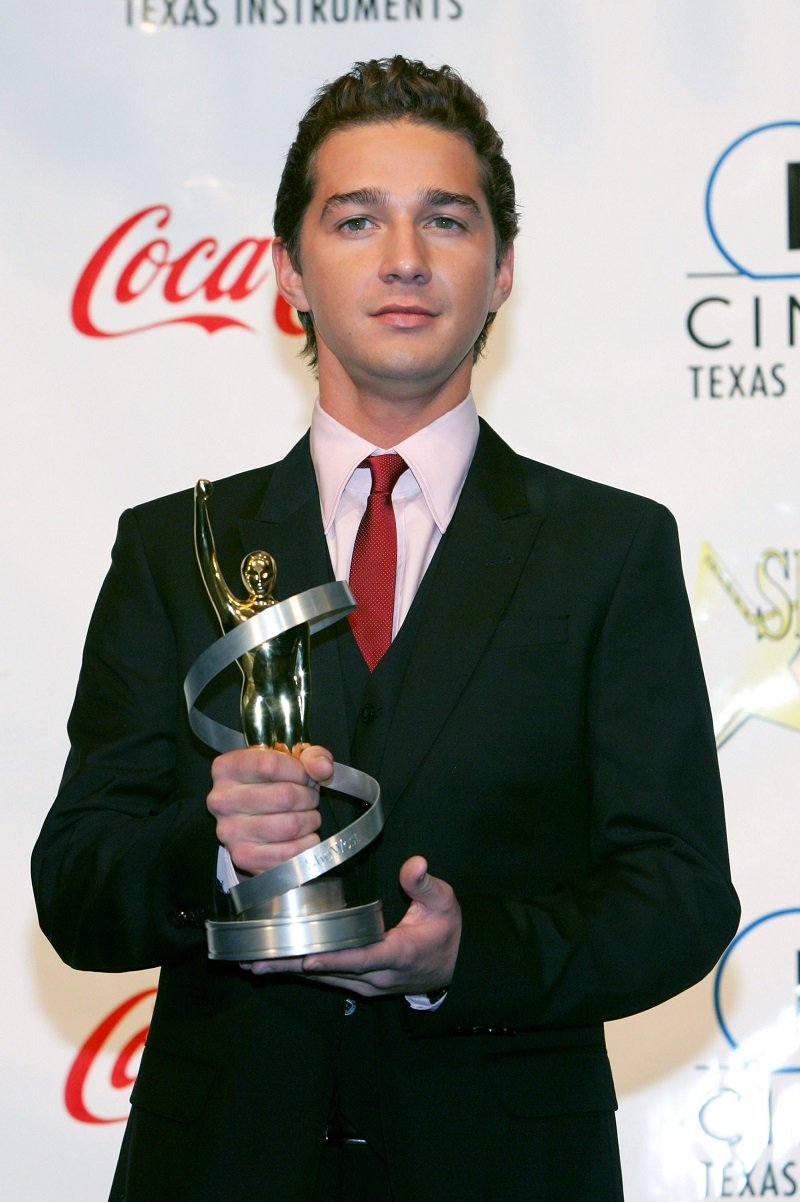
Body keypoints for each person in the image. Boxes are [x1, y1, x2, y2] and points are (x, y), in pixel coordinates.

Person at [32, 56, 739, 1202]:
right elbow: (76, 885)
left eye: (444, 220)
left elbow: (677, 895)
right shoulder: (175, 547)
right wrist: (217, 848)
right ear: (288, 274)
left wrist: (469, 954)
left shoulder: (608, 547)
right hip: (217, 1166)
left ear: (502, 268)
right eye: (355, 219)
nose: (402, 257)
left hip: (507, 1167)